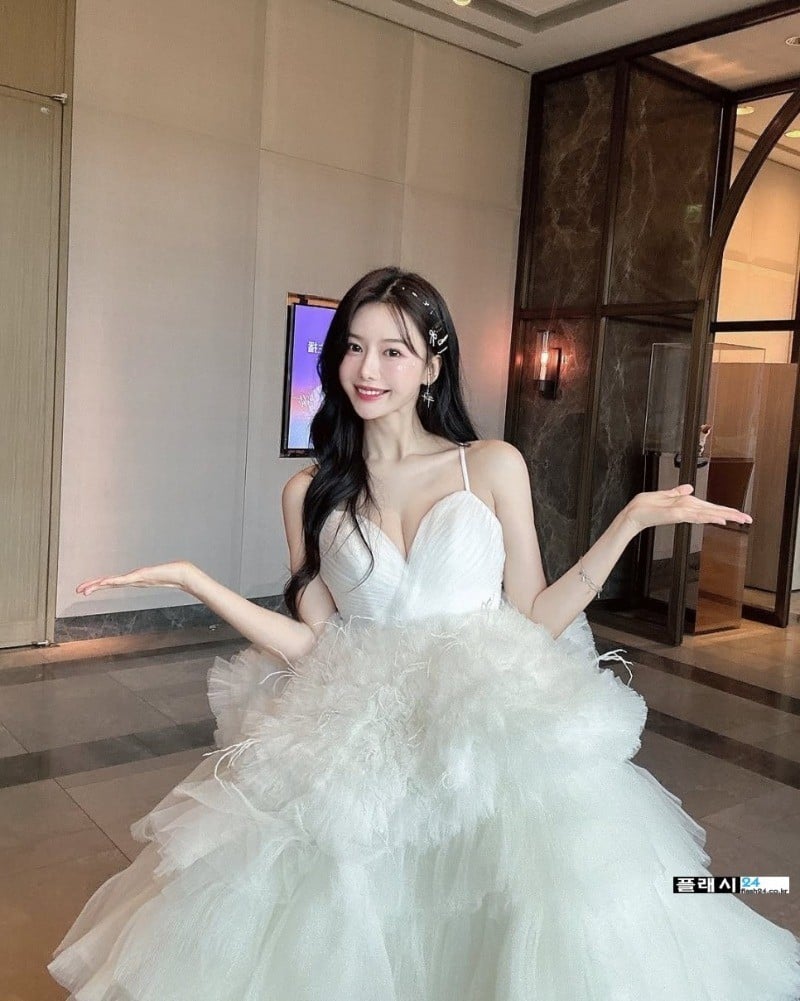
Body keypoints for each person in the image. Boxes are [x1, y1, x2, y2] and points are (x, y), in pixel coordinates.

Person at [48, 266, 800, 1000]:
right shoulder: (310, 491)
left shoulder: (491, 465)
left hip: (484, 726)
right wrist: (196, 580)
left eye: (393, 350)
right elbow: (316, 645)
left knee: (530, 914)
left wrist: (630, 521)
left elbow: (535, 616)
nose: (367, 369)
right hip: (362, 738)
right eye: (353, 347)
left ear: (432, 366)